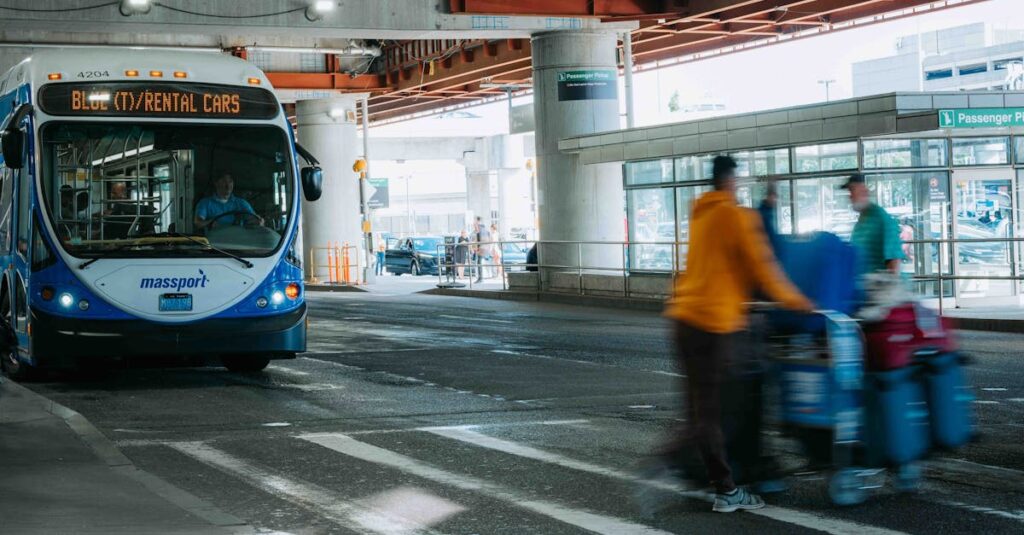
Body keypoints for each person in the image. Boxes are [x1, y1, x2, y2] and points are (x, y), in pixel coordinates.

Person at [661, 155, 814, 513]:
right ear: (731, 182)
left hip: (682, 319)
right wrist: (800, 302)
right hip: (714, 326)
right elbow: (764, 269)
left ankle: (709, 476)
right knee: (717, 411)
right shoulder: (736, 216)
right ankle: (722, 488)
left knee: (700, 410)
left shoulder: (701, 213)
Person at [842, 173, 903, 275]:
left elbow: (894, 261)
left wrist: (886, 287)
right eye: (849, 192)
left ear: (864, 191)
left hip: (879, 288)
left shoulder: (881, 218)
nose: (850, 197)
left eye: (852, 191)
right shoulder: (862, 221)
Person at [194, 173, 263, 231]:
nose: (228, 185)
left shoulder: (241, 203)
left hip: (240, 243)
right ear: (216, 183)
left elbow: (254, 219)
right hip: (215, 244)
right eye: (224, 181)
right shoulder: (205, 203)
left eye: (230, 181)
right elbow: (198, 223)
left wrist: (258, 221)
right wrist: (210, 222)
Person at [757, 179, 781, 253]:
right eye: (774, 197)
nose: (775, 200)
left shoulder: (769, 212)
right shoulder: (762, 213)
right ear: (769, 196)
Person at [474, 216, 491, 283]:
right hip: (485, 247)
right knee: (480, 261)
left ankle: (480, 278)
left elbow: (479, 238)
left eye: (475, 221)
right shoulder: (485, 228)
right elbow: (489, 238)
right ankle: (481, 277)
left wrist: (478, 247)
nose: (474, 223)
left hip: (482, 248)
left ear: (477, 221)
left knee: (479, 262)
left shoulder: (479, 227)